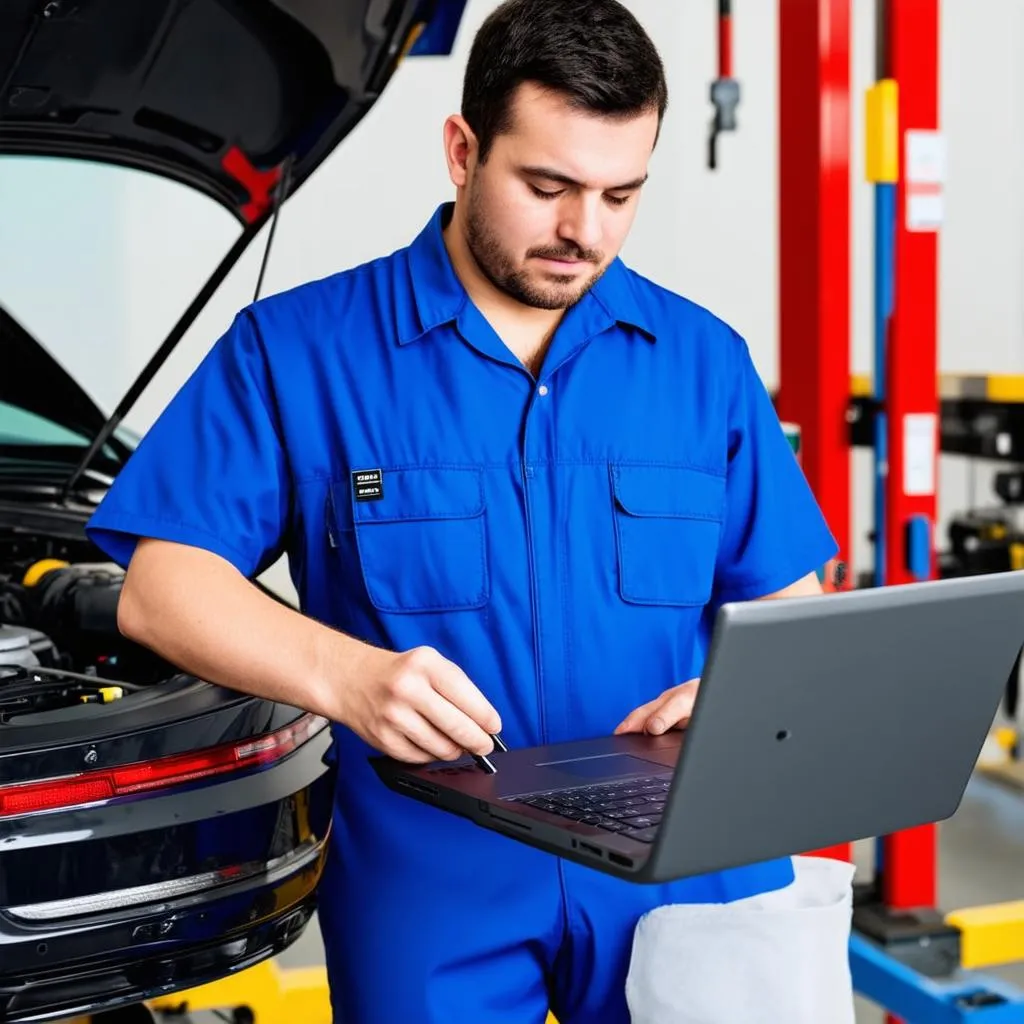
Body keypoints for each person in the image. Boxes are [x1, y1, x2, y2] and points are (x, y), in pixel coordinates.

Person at [86, 0, 838, 1020]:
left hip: (683, 864)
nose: (585, 230)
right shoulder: (299, 350)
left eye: (622, 194)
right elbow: (162, 590)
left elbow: (793, 600)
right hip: (433, 882)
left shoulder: (705, 363)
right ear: (461, 150)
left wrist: (737, 699)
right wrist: (344, 674)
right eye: (547, 186)